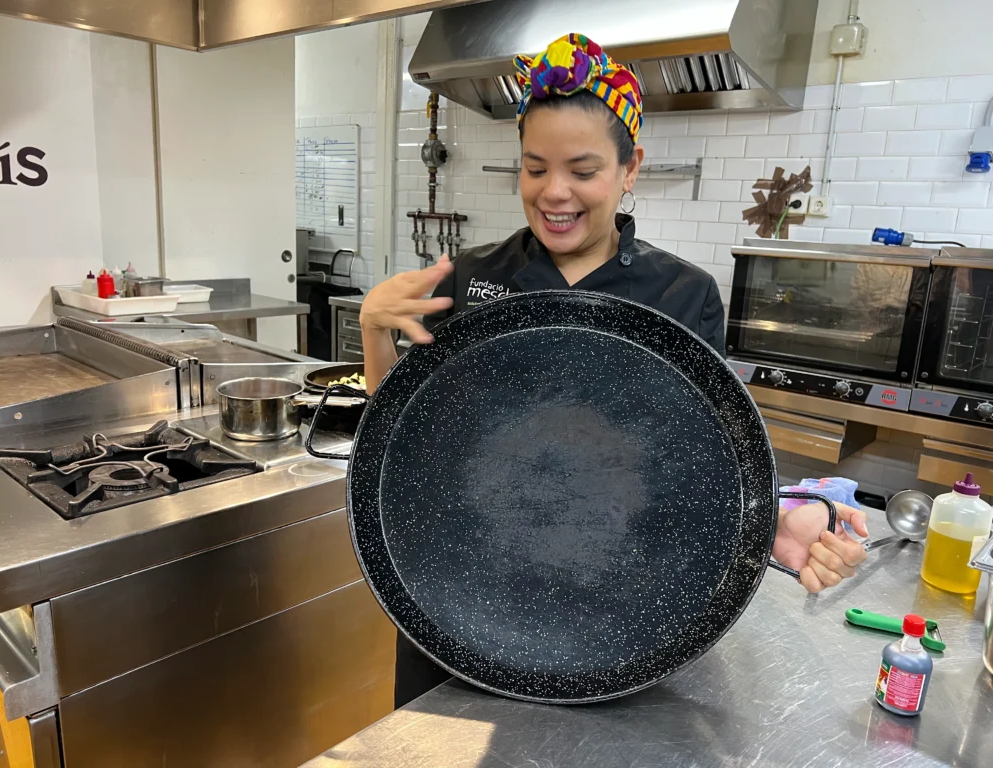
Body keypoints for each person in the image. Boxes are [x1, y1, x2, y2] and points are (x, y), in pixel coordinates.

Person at [359, 34, 869, 709]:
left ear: (630, 170)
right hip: (462, 591)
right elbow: (404, 446)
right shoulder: (471, 276)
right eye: (534, 168)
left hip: (613, 607)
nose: (555, 192)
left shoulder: (681, 295)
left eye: (583, 168)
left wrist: (774, 522)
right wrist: (372, 330)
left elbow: (696, 470)